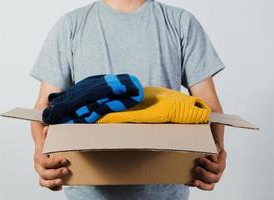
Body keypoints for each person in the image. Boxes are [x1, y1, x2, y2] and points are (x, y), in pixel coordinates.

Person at [29, 0, 227, 199]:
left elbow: (206, 103)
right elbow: (45, 106)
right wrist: (41, 151)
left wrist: (216, 149)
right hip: (88, 192)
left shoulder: (181, 23)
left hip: (165, 191)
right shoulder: (70, 25)